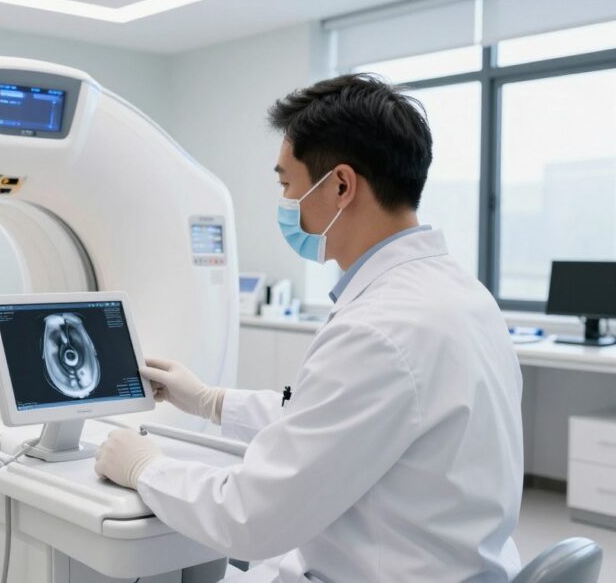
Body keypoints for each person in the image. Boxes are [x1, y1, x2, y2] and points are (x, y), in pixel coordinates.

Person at [94, 74, 524, 583]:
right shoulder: (461, 296)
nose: (284, 200)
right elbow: (329, 416)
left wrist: (147, 469)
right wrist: (210, 400)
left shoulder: (381, 330)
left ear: (341, 185)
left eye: (286, 184)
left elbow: (251, 516)